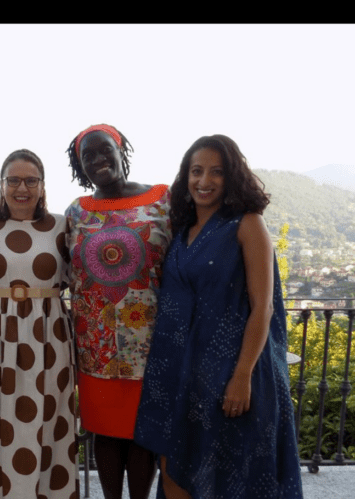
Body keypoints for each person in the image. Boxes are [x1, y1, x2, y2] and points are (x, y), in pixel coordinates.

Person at [134, 135, 303, 499]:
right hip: (182, 373)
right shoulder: (183, 230)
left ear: (232, 178)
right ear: (186, 176)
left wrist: (241, 377)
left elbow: (264, 307)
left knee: (228, 480)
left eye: (217, 172)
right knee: (173, 470)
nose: (204, 181)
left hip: (231, 373)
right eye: (196, 171)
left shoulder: (247, 224)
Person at [65, 124, 172, 499]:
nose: (97, 160)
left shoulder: (162, 199)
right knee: (105, 433)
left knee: (143, 431)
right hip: (95, 343)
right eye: (87, 157)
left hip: (150, 339)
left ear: (121, 147)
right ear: (80, 166)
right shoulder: (77, 211)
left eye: (103, 149)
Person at [0, 149, 77, 499]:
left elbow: (86, 275)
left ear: (43, 186)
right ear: (2, 185)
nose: (21, 188)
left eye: (31, 180)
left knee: (46, 421)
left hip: (49, 339)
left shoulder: (62, 226)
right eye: (13, 180)